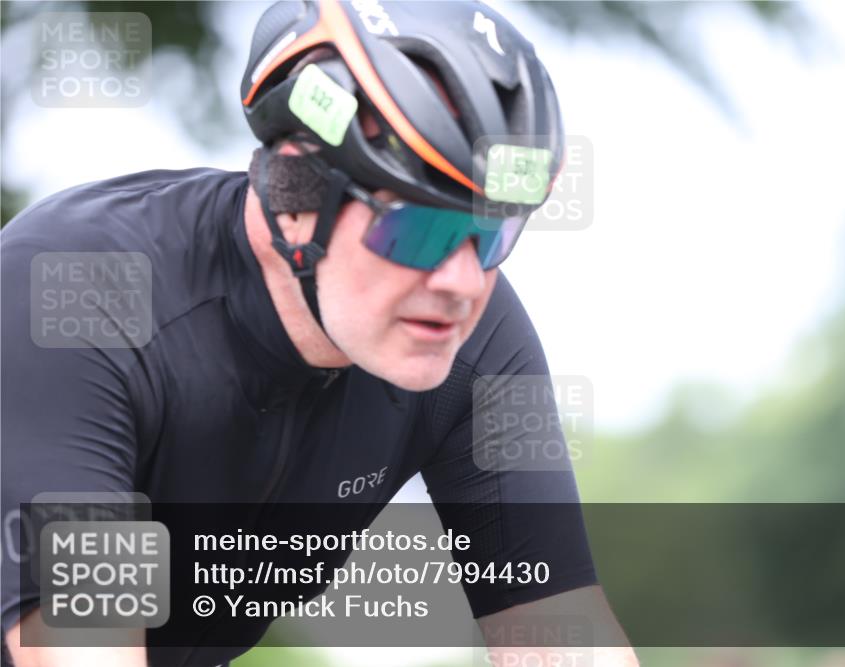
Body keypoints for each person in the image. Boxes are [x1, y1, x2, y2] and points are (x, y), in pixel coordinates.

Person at [1, 1, 637, 665]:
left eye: (490, 233)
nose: (462, 282)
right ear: (297, 195)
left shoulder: (473, 338)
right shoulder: (80, 301)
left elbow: (563, 638)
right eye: (419, 229)